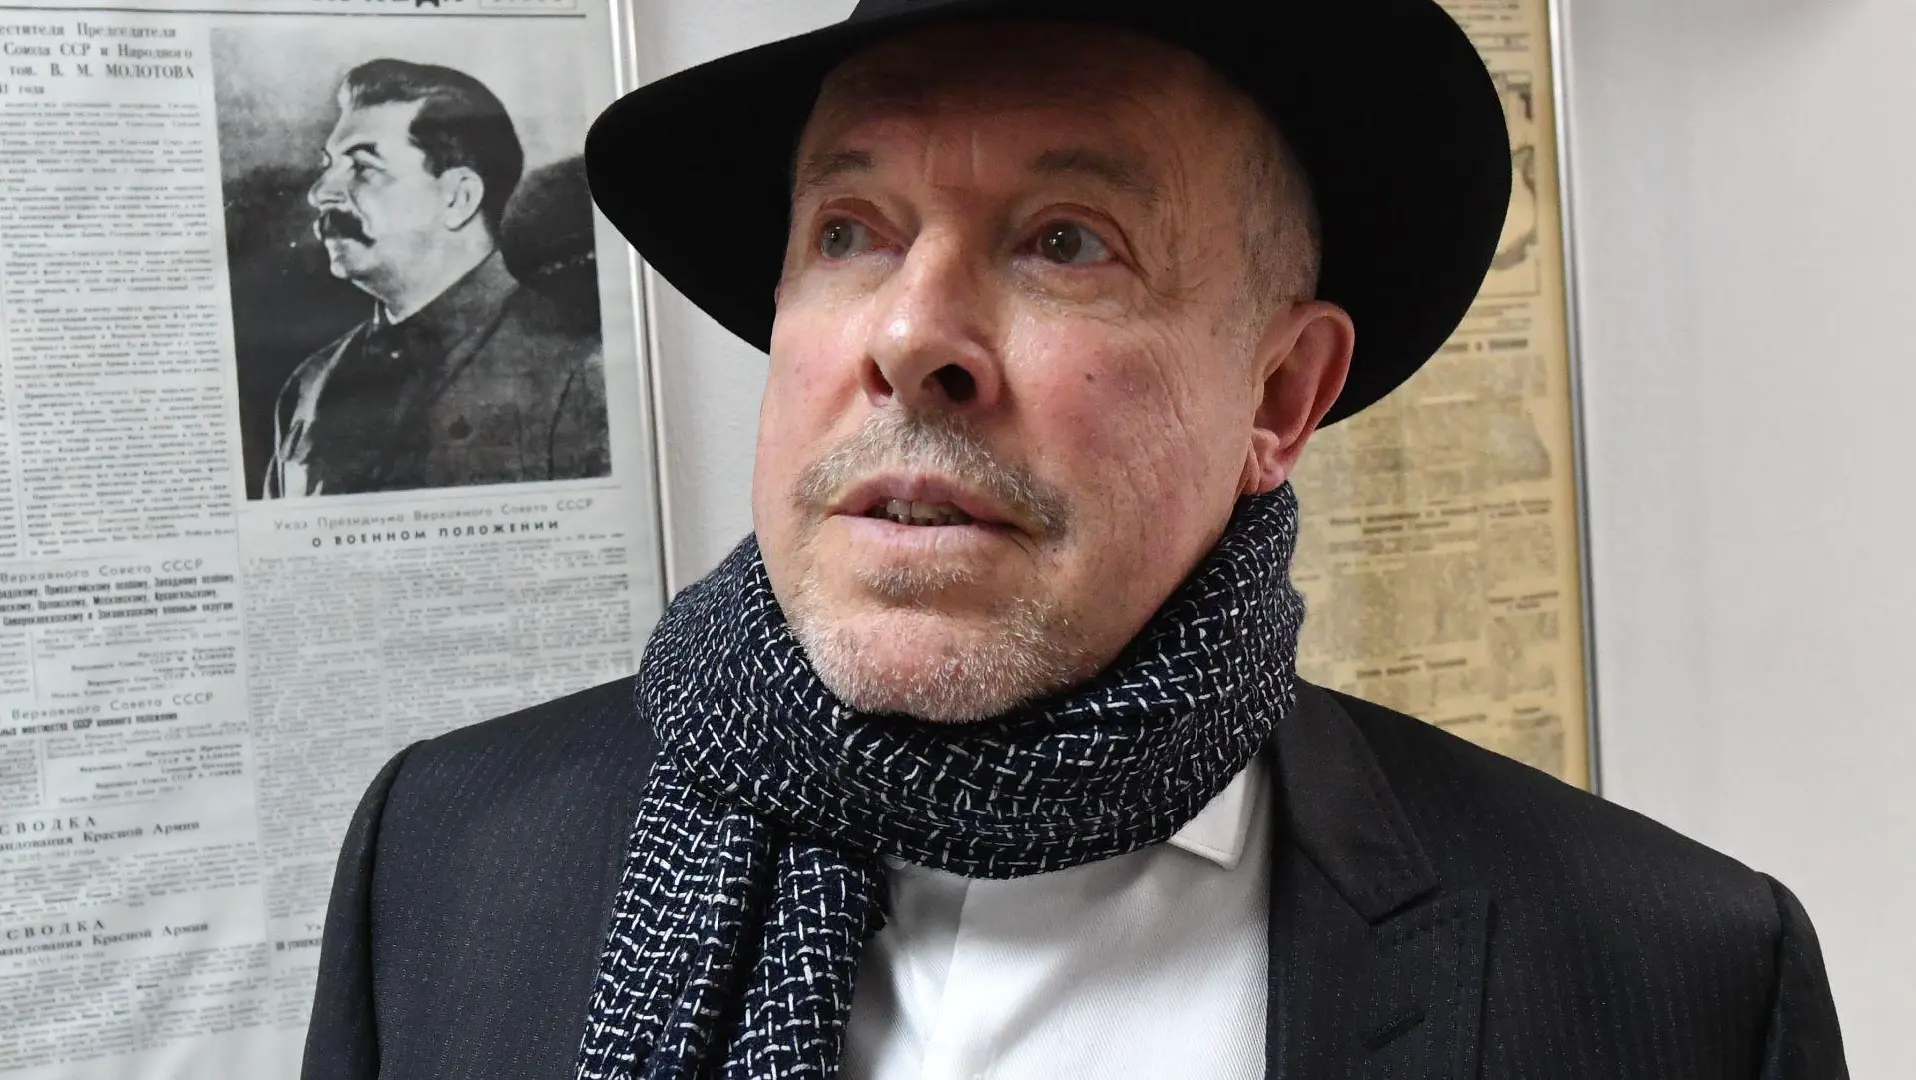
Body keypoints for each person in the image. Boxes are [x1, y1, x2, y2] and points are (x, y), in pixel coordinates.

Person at [302, 2, 1848, 1078]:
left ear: (1280, 396)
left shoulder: (1674, 983)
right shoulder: (445, 861)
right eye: (849, 231)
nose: (910, 336)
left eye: (1066, 242)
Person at [263, 59, 609, 498]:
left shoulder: (584, 369)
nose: (320, 194)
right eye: (328, 165)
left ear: (458, 198)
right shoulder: (309, 385)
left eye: (363, 167)